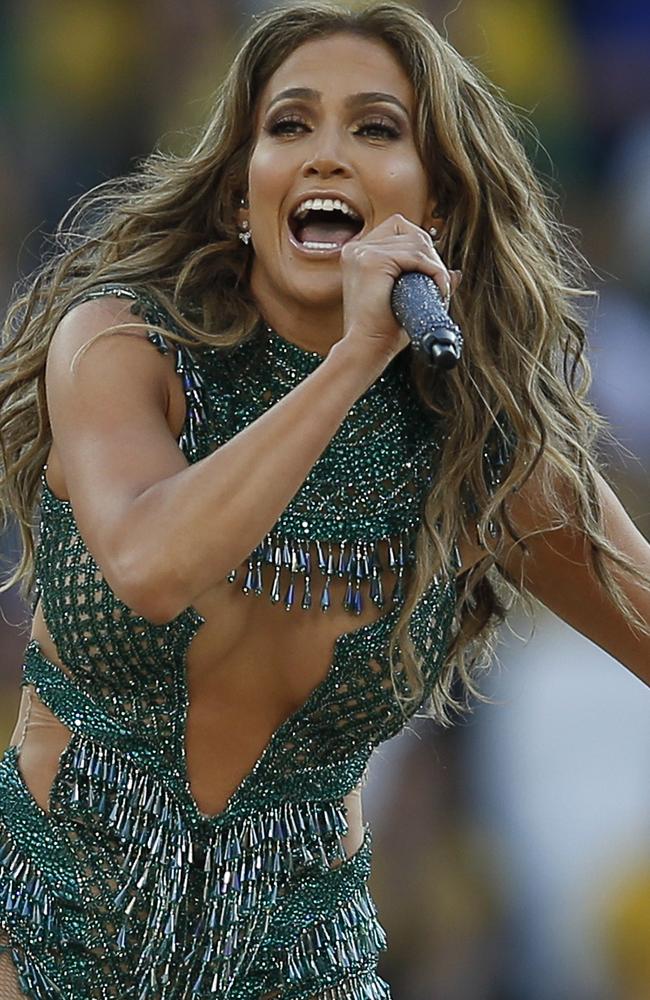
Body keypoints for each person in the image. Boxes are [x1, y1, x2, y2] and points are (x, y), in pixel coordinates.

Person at [0, 2, 648, 998]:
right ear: (236, 196)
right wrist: (351, 359)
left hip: (308, 970)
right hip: (47, 954)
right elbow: (148, 564)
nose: (326, 155)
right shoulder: (122, 346)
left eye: (376, 128)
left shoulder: (478, 448)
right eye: (289, 125)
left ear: (432, 207)